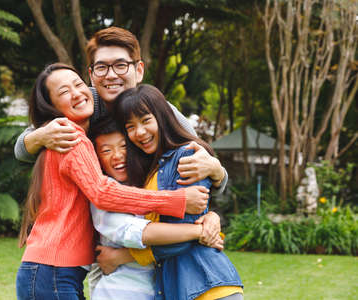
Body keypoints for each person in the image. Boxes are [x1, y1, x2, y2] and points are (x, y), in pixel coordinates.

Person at [15, 64, 210, 300]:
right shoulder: (69, 137)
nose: (76, 93)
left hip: (55, 271)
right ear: (51, 106)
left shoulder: (74, 137)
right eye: (64, 92)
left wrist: (216, 171)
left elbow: (184, 137)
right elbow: (102, 193)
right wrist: (178, 200)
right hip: (52, 270)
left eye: (78, 84)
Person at [14, 27, 227, 193]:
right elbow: (22, 148)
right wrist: (42, 136)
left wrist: (218, 173)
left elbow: (203, 162)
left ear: (139, 70)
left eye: (121, 65)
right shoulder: (82, 101)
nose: (111, 75)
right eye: (102, 67)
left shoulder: (160, 112)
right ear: (91, 74)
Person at [105, 84, 244, 300]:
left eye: (145, 120)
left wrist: (121, 256)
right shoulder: (152, 168)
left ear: (162, 117)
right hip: (179, 288)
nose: (139, 132)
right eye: (130, 127)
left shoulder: (187, 157)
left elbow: (183, 234)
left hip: (208, 286)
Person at [86, 117, 224, 300]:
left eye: (123, 146)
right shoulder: (104, 192)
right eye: (106, 150)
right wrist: (200, 231)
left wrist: (211, 217)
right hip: (119, 292)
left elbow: (174, 225)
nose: (117, 155)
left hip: (160, 290)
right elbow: (136, 233)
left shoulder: (150, 182)